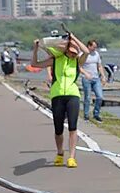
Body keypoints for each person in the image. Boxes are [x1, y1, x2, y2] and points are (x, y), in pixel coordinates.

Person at [31, 33, 90, 168]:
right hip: (57, 95)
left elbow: (86, 51)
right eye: (72, 51)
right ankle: (59, 153)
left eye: (76, 52)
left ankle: (71, 157)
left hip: (72, 95)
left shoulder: (77, 61)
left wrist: (73, 37)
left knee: (72, 127)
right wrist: (35, 49)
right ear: (67, 49)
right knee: (58, 129)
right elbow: (34, 64)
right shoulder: (56, 60)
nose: (74, 54)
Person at [81, 39, 104, 122]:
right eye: (93, 47)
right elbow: (78, 66)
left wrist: (103, 76)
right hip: (86, 78)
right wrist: (85, 73)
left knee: (100, 96)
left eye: (96, 47)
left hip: (96, 78)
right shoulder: (83, 54)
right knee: (87, 97)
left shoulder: (96, 54)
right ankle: (86, 115)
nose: (95, 49)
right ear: (89, 46)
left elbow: (99, 66)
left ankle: (96, 114)